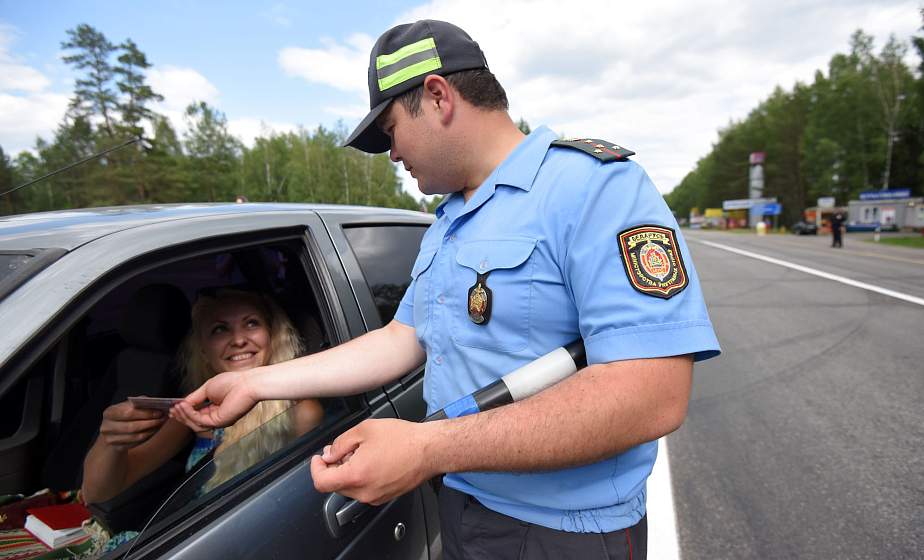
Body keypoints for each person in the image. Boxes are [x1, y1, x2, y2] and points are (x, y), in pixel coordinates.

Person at [172, 20, 720, 559]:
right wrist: (259, 383)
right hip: (461, 503)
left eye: (389, 132)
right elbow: (401, 338)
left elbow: (652, 394)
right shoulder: (449, 219)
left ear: (438, 97)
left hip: (565, 532)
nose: (391, 154)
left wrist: (428, 447)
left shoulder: (595, 187)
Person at [82, 288, 323, 505]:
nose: (239, 340)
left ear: (271, 337)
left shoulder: (301, 412)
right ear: (204, 352)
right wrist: (110, 443)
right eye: (220, 329)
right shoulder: (197, 411)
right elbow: (98, 493)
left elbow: (302, 502)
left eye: (251, 323)